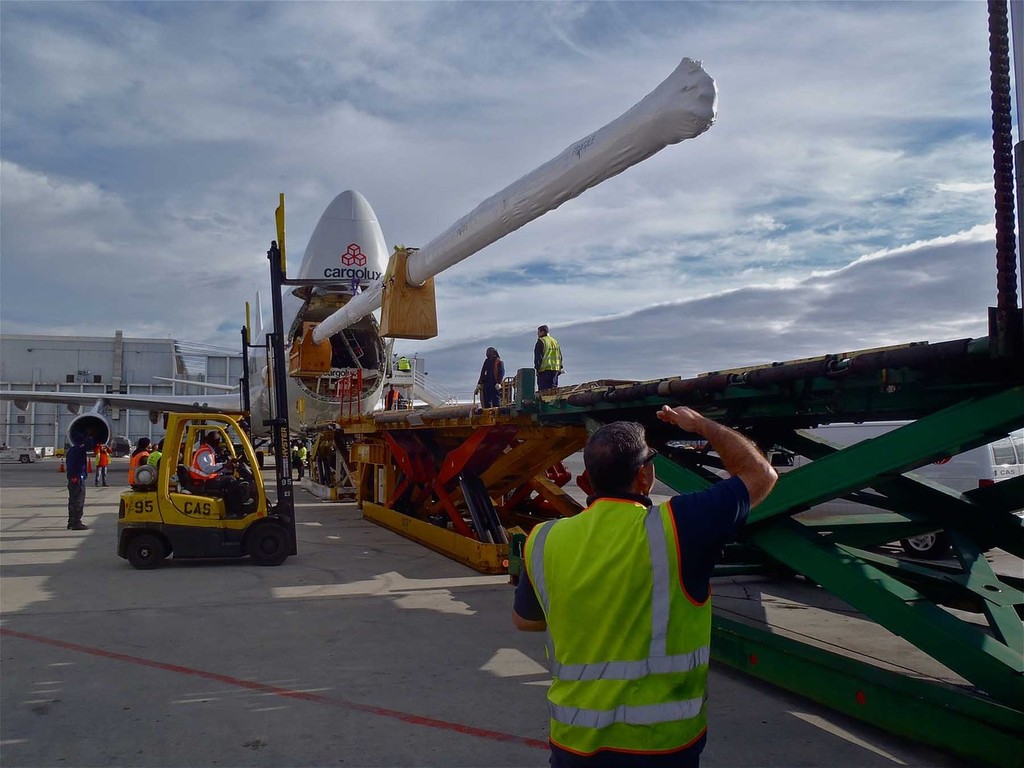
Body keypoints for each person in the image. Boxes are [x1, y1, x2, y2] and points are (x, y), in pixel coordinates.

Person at [513, 406, 778, 768]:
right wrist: (701, 425)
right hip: (660, 747)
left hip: (575, 744)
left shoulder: (544, 538)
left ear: (585, 483)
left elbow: (526, 621)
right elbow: (761, 474)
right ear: (645, 477)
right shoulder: (679, 527)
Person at [189, 431, 245, 516]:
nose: (220, 443)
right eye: (218, 441)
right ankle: (234, 510)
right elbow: (207, 469)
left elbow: (212, 468)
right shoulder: (205, 452)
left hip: (207, 479)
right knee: (231, 481)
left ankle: (231, 507)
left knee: (231, 479)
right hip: (202, 482)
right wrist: (224, 465)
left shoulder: (208, 451)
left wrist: (226, 467)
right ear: (215, 442)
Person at [66, 435, 95, 530]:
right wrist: (90, 436)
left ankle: (71, 521)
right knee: (78, 501)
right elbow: (90, 444)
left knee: (72, 501)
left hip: (72, 478)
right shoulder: (80, 450)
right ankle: (76, 523)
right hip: (78, 478)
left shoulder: (71, 450)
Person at [534, 325, 563, 391]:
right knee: (553, 391)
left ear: (542, 332)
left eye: (538, 332)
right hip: (555, 370)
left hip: (544, 371)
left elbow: (538, 357)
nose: (537, 334)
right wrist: (560, 367)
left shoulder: (541, 341)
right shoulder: (555, 341)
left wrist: (537, 368)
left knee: (543, 393)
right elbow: (560, 355)